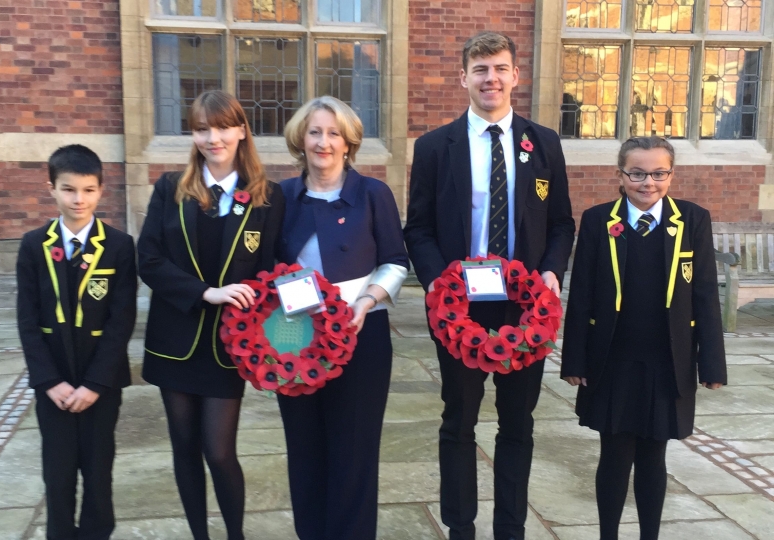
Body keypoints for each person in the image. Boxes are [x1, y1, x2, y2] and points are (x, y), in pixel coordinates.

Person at [404, 31, 575, 540]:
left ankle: (511, 528)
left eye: (500, 68)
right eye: (480, 70)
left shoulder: (543, 143)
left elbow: (563, 222)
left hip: (526, 310)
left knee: (517, 422)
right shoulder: (435, 147)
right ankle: (460, 527)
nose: (490, 79)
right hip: (461, 311)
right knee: (459, 420)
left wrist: (550, 271)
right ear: (464, 78)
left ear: (515, 76)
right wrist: (440, 285)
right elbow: (419, 227)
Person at [560, 136, 727, 540]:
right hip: (613, 360)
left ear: (671, 174)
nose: (647, 182)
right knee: (614, 456)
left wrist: (712, 364)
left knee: (654, 456)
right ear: (621, 175)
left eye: (658, 173)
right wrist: (574, 361)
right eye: (637, 173)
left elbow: (705, 293)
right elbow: (581, 294)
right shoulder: (600, 220)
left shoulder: (692, 219)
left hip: (669, 361)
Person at [137, 90, 284, 540]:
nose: (212, 138)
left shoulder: (267, 198)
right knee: (184, 449)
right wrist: (208, 293)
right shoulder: (170, 189)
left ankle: (234, 535)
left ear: (241, 130)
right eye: (202, 128)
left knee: (219, 451)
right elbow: (150, 259)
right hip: (174, 343)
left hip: (227, 349)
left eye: (222, 127)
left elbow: (272, 270)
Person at [276, 96, 409, 540]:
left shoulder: (372, 195)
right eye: (315, 132)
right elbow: (263, 268)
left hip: (360, 337)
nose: (324, 142)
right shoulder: (280, 197)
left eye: (334, 133)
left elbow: (395, 260)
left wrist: (369, 299)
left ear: (349, 143)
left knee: (353, 453)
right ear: (301, 139)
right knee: (304, 450)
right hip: (295, 338)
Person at [16, 144, 137, 540]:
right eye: (68, 189)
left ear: (101, 190)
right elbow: (27, 321)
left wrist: (96, 384)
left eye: (87, 190)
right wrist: (49, 381)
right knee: (58, 470)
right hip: (54, 383)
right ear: (51, 188)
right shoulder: (34, 245)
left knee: (99, 469)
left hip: (101, 384)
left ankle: (97, 532)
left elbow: (122, 321)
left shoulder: (119, 246)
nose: (78, 199)